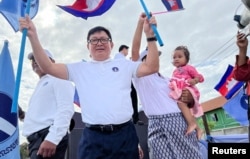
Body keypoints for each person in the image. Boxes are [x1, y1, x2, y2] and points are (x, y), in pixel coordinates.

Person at [19, 14, 159, 159]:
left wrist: (150, 36)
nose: (99, 43)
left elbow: (151, 67)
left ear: (111, 45)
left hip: (125, 134)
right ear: (88, 46)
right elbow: (48, 67)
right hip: (93, 137)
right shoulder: (79, 68)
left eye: (104, 39)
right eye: (94, 40)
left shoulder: (124, 65)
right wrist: (33, 36)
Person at [131, 13, 202, 159]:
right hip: (157, 122)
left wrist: (190, 100)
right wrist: (141, 25)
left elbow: (185, 99)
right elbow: (134, 52)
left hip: (179, 121)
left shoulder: (168, 79)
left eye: (156, 54)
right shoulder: (139, 75)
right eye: (150, 54)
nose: (155, 56)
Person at [22, 49, 75, 159]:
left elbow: (66, 109)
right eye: (33, 59)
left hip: (47, 136)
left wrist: (52, 138)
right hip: (36, 140)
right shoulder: (40, 85)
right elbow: (40, 116)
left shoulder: (59, 78)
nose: (35, 61)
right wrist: (21, 115)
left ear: (52, 61)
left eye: (39, 57)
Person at [169, 45, 204, 138]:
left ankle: (192, 124)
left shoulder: (188, 68)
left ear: (187, 59)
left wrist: (195, 80)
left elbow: (199, 76)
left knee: (181, 104)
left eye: (180, 57)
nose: (176, 59)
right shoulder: (174, 71)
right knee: (187, 111)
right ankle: (199, 129)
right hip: (181, 91)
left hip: (190, 90)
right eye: (174, 57)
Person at [114, 44, 140, 124]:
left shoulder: (119, 58)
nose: (127, 52)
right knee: (133, 98)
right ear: (124, 49)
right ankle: (135, 119)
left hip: (122, 81)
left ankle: (132, 118)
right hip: (124, 81)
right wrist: (131, 61)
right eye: (127, 50)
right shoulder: (119, 57)